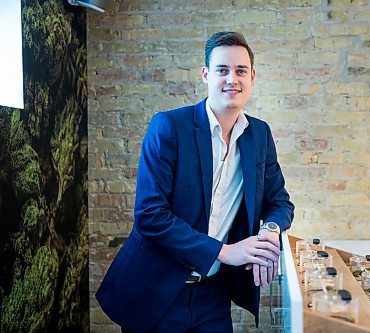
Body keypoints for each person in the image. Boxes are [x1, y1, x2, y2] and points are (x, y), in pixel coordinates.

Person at [96, 31, 294, 333]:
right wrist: (226, 252)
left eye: (240, 71)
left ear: (252, 77)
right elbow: (150, 215)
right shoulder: (169, 127)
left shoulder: (260, 135)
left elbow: (279, 200)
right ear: (205, 74)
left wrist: (269, 230)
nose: (232, 79)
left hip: (213, 293)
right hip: (156, 291)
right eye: (222, 70)